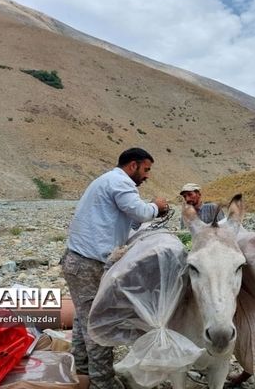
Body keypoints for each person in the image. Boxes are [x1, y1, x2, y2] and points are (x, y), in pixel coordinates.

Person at [61, 148, 169, 389]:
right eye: (146, 170)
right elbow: (141, 212)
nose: (147, 176)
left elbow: (130, 220)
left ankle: (80, 370)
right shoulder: (120, 182)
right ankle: (102, 383)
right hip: (88, 265)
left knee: (83, 318)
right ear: (133, 166)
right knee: (98, 326)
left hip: (78, 262)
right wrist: (156, 206)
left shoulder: (108, 180)